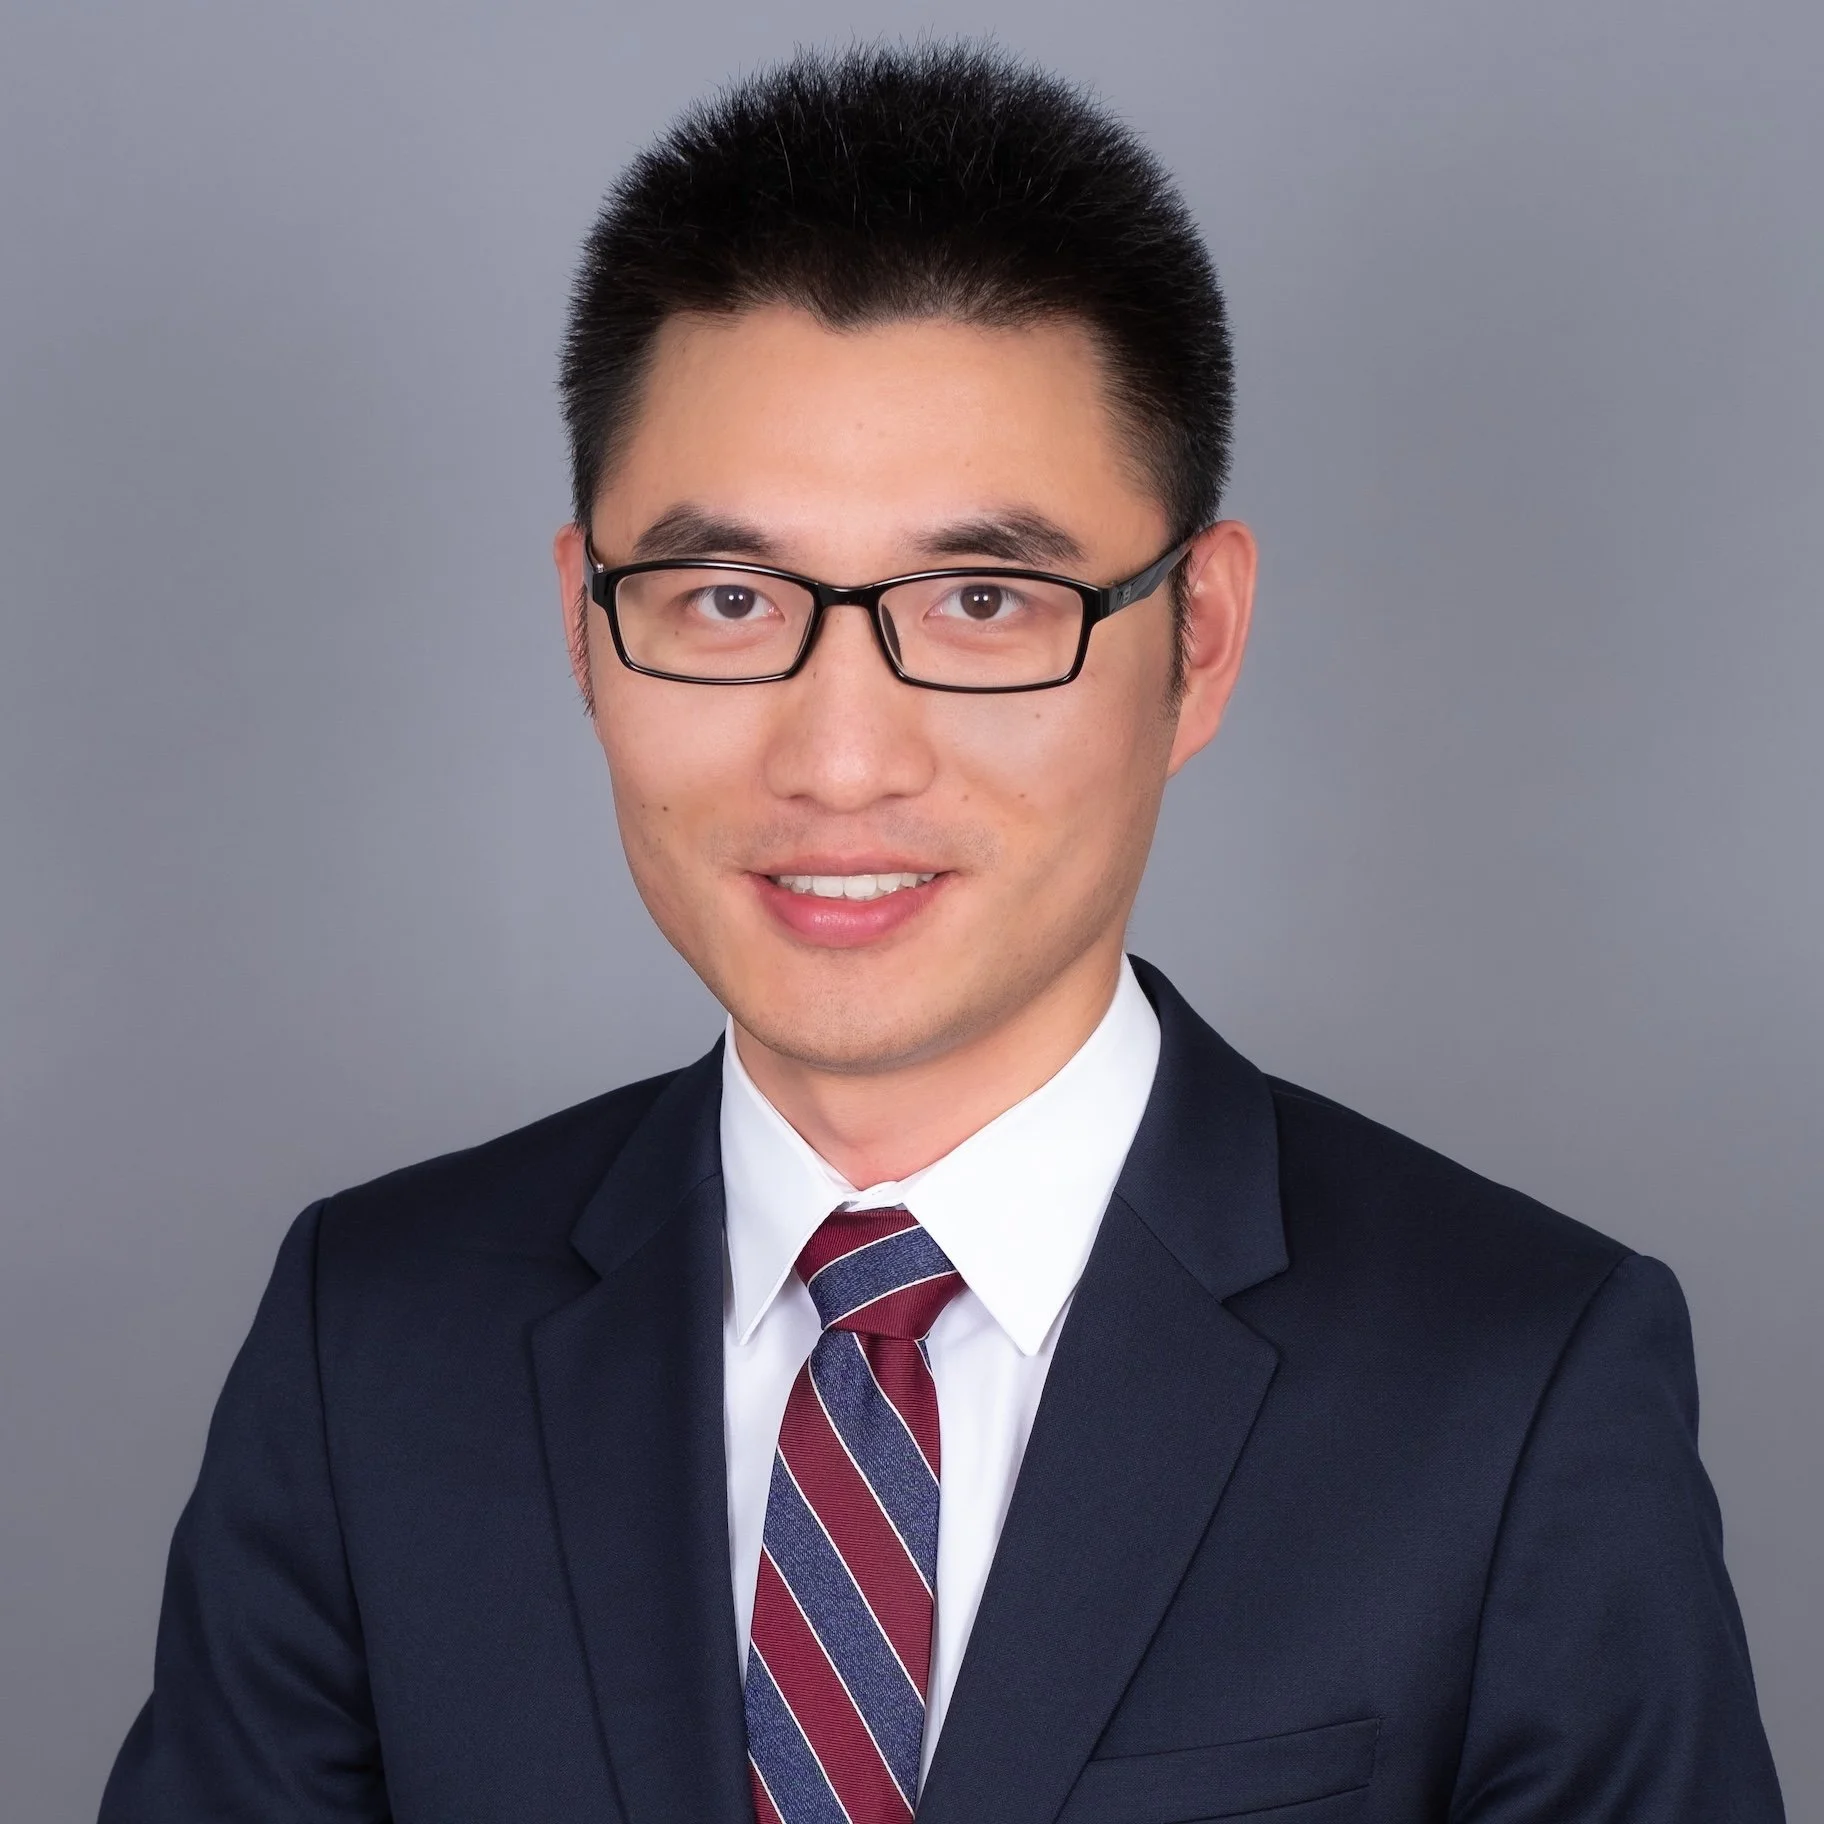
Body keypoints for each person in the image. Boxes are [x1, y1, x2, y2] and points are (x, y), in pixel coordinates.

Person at [100, 41, 1784, 1824]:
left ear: (1200, 640)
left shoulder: (1517, 1379)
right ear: (586, 629)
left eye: (985, 599)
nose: (841, 759)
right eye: (726, 597)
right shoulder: (371, 1341)